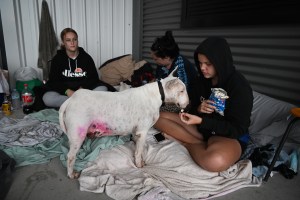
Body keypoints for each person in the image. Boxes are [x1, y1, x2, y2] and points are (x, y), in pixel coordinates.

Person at [154, 37, 253, 172]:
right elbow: (190, 109)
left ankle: (186, 143)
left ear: (220, 62)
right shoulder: (201, 81)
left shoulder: (239, 86)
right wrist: (198, 109)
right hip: (202, 129)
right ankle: (198, 143)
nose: (202, 68)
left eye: (208, 64)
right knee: (157, 116)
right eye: (200, 63)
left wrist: (201, 120)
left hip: (227, 136)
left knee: (214, 161)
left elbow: (237, 129)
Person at [41, 28, 115, 108]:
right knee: (48, 99)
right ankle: (82, 104)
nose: (72, 43)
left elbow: (93, 78)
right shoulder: (57, 59)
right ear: (63, 43)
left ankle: (73, 105)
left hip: (83, 90)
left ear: (77, 41)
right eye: (68, 40)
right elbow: (54, 81)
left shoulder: (86, 58)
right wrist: (67, 91)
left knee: (103, 89)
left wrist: (83, 89)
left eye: (74, 39)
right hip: (65, 92)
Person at [150, 30, 198, 112]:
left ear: (167, 57)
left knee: (153, 110)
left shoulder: (181, 70)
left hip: (183, 101)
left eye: (156, 59)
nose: (155, 61)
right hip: (167, 94)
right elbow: (159, 80)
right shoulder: (162, 64)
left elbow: (179, 96)